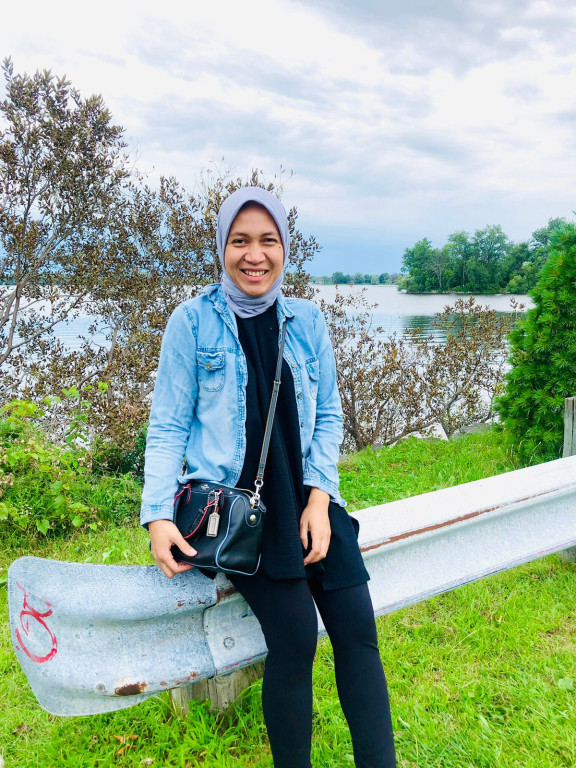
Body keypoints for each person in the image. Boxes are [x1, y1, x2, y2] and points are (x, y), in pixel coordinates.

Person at [140, 186, 396, 768]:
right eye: (240, 241)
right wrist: (156, 515)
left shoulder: (307, 320)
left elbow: (328, 414)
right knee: (296, 641)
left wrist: (319, 500)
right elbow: (168, 425)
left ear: (284, 248)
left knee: (358, 634)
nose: (254, 255)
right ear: (222, 247)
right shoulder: (192, 322)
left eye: (268, 241)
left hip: (309, 500)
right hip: (241, 515)